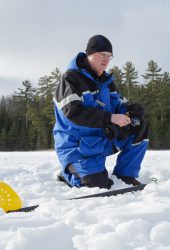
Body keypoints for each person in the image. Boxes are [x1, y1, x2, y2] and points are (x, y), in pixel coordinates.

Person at [53, 35, 149, 189]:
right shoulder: (70, 79)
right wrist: (110, 118)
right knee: (97, 185)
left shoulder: (106, 81)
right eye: (102, 55)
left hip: (100, 139)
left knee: (139, 126)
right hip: (76, 147)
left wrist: (130, 110)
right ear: (90, 54)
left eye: (109, 56)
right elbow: (74, 113)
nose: (106, 60)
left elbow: (118, 105)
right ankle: (68, 173)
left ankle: (126, 175)